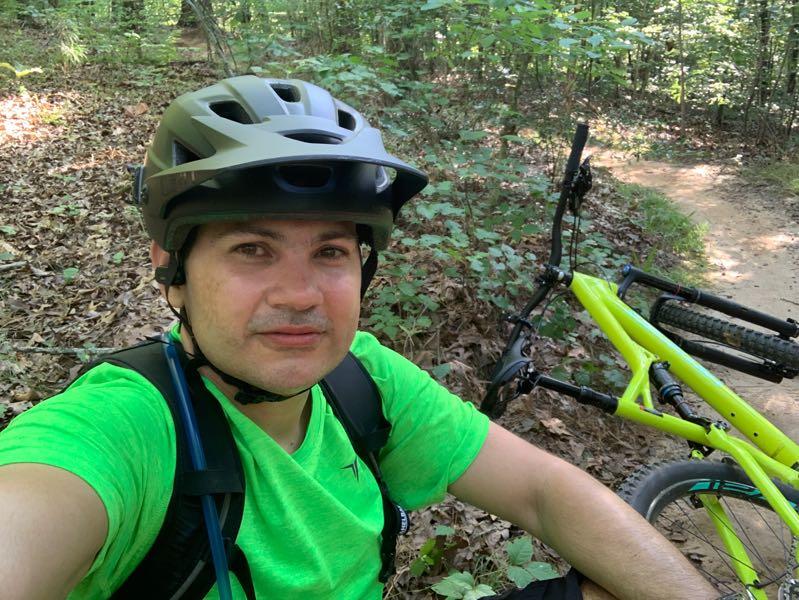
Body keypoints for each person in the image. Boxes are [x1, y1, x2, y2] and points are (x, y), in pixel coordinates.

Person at [0, 75, 718, 600]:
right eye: (251, 248)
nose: (300, 295)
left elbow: (541, 491)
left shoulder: (360, 380)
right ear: (171, 268)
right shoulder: (124, 426)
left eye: (331, 252)